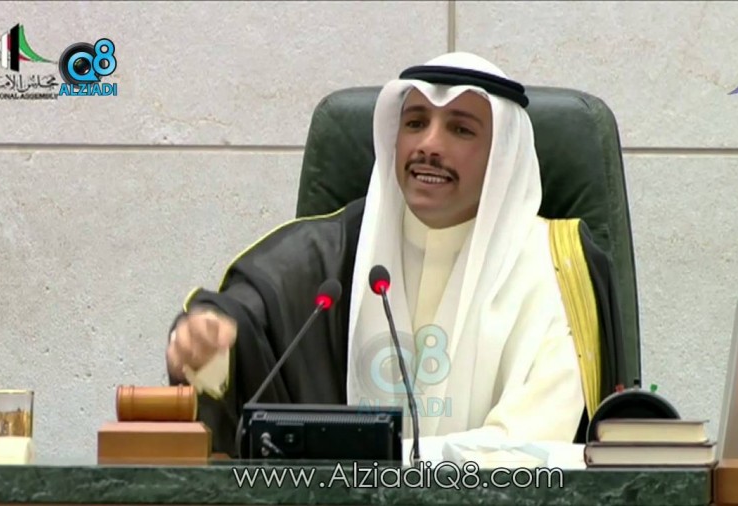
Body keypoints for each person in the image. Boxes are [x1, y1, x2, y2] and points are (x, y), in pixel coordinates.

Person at [166, 52, 622, 459]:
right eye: (415, 123)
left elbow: (531, 445)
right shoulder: (330, 255)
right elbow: (242, 320)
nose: (429, 145)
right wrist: (205, 346)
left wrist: (371, 461)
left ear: (502, 154)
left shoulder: (557, 267)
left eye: (460, 129)